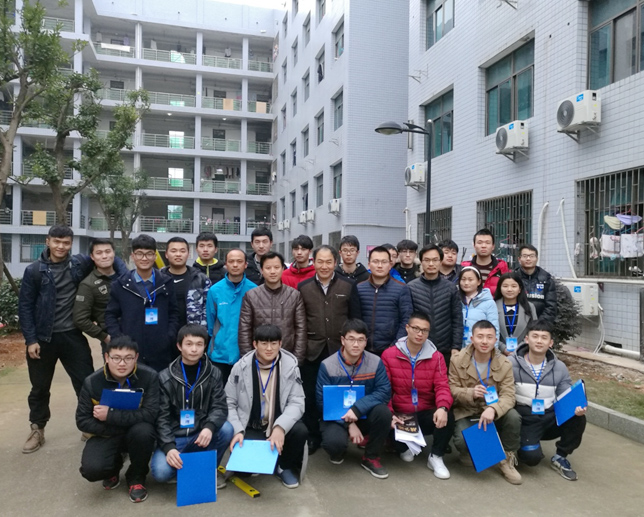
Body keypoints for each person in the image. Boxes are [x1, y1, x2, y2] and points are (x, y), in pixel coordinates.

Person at [18, 225, 126, 453]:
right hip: (43, 338)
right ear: (48, 241)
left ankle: (89, 425)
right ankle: (37, 428)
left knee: (86, 382)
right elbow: (25, 307)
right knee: (40, 387)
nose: (61, 246)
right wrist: (30, 339)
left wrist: (124, 274)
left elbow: (109, 258)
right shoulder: (34, 270)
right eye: (56, 241)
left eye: (66, 242)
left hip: (72, 335)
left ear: (71, 244)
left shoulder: (78, 263)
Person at [76, 336, 159, 503]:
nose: (122, 363)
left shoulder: (149, 377)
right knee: (92, 470)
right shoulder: (92, 382)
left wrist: (110, 415)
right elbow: (82, 420)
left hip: (136, 432)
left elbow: (151, 414)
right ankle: (113, 467)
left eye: (128, 358)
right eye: (116, 358)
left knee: (144, 432)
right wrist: (118, 430)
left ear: (136, 357)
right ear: (107, 357)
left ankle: (136, 477)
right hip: (107, 433)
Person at [151, 324, 234, 486]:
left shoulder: (214, 373)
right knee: (161, 472)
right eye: (189, 344)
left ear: (205, 346)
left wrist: (209, 427)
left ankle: (209, 469)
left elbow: (219, 406)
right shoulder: (165, 377)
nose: (194, 349)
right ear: (179, 346)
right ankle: (188, 467)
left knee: (226, 429)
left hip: (200, 434)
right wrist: (169, 447)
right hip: (175, 437)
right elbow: (161, 416)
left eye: (199, 344)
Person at [226, 324, 307, 489]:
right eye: (264, 343)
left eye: (274, 343)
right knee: (244, 472)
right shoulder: (240, 367)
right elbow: (229, 401)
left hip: (278, 423)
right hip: (252, 425)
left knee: (300, 430)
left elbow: (297, 402)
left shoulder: (290, 367)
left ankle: (283, 466)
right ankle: (266, 457)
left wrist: (280, 427)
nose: (269, 348)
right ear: (255, 344)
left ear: (280, 344)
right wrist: (237, 430)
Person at [298, 245, 361, 452]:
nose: (324, 266)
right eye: (320, 261)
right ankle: (313, 436)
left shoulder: (348, 285)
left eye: (328, 262)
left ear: (335, 262)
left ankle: (339, 431)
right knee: (310, 395)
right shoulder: (303, 287)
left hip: (340, 351)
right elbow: (300, 321)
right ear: (313, 262)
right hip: (312, 350)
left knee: (339, 393)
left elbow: (355, 318)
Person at [509, 320, 587, 481]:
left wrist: (577, 406)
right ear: (526, 339)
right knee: (531, 459)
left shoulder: (559, 367)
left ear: (551, 343)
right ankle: (523, 444)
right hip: (525, 418)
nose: (539, 341)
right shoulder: (511, 363)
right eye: (535, 336)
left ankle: (560, 456)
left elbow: (565, 393)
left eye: (544, 337)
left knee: (578, 418)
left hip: (549, 416)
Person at [381, 312, 454, 479]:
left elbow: (442, 386)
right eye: (416, 328)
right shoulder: (389, 354)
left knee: (447, 413)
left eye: (425, 330)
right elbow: (385, 389)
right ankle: (404, 446)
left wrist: (442, 407)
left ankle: (436, 456)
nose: (420, 334)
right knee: (383, 418)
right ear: (407, 328)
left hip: (425, 411)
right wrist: (390, 414)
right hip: (401, 414)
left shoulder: (436, 357)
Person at [449, 320, 522, 485]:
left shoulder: (504, 363)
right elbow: (451, 388)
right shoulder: (457, 359)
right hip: (467, 410)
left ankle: (506, 459)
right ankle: (473, 452)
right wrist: (470, 393)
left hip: (491, 410)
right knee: (462, 441)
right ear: (472, 338)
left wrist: (493, 409)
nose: (484, 341)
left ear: (496, 340)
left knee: (513, 417)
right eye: (480, 336)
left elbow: (509, 395)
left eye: (489, 337)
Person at [316, 319, 392, 479]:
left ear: (366, 342)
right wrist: (349, 424)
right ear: (343, 340)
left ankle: (371, 457)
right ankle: (339, 449)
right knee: (334, 445)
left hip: (363, 414)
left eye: (360, 340)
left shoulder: (375, 362)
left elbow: (384, 391)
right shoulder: (327, 365)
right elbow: (323, 402)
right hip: (335, 416)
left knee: (383, 413)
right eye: (351, 339)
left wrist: (357, 409)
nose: (356, 344)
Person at [105, 234, 180, 372]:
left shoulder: (166, 282)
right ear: (133, 256)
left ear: (155, 256)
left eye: (149, 254)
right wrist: (119, 338)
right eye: (139, 254)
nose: (144, 258)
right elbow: (110, 315)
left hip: (160, 350)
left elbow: (173, 312)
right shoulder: (120, 284)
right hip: (130, 350)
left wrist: (169, 336)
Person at [239, 252, 307, 363]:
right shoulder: (251, 296)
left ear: (283, 269)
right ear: (262, 270)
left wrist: (296, 360)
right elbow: (244, 330)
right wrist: (249, 359)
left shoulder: (294, 295)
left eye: (276, 267)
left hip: (287, 356)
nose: (272, 271)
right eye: (268, 268)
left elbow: (301, 329)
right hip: (258, 358)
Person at [206, 248, 257, 384]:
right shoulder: (215, 290)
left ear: (245, 265)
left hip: (246, 353)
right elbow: (210, 324)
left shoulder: (254, 290)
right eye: (231, 261)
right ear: (226, 264)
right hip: (220, 353)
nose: (235, 265)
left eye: (239, 261)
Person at [408, 245, 463, 367]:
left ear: (440, 261)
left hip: (446, 349)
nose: (431, 264)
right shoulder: (411, 287)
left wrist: (456, 346)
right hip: (418, 348)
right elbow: (407, 318)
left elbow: (457, 319)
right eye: (427, 260)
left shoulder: (450, 288)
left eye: (435, 260)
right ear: (421, 262)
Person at [357, 246, 413, 355]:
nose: (379, 265)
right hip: (363, 349)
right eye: (375, 261)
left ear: (390, 265)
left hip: (392, 349)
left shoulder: (401, 288)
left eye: (384, 262)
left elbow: (406, 319)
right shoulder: (359, 288)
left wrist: (395, 345)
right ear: (369, 265)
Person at [73, 238, 118, 353]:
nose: (104, 256)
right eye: (99, 253)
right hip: (113, 337)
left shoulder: (126, 277)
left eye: (108, 251)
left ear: (114, 253)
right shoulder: (88, 284)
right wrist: (105, 337)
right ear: (92, 257)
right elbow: (80, 319)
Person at [163, 236, 211, 328]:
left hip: (193, 332)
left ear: (188, 254)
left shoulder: (201, 279)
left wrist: (201, 331)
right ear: (166, 254)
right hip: (164, 331)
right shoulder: (158, 278)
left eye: (182, 251)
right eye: (173, 251)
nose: (178, 254)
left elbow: (207, 309)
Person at [494, 272, 538, 354]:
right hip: (498, 353)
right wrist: (503, 348)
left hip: (523, 352)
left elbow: (534, 331)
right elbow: (489, 331)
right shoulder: (493, 306)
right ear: (500, 288)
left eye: (514, 286)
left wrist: (519, 348)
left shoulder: (529, 307)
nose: (509, 289)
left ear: (520, 289)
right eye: (505, 286)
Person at [458, 266, 499, 348]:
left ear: (479, 282)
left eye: (470, 280)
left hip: (480, 348)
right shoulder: (455, 300)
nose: (466, 283)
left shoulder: (489, 303)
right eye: (463, 279)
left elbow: (495, 329)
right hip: (459, 348)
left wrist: (494, 350)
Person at [516, 244, 558, 324]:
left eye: (531, 256)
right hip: (517, 325)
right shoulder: (513, 279)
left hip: (540, 325)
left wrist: (540, 325)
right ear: (519, 259)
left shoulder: (546, 280)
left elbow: (551, 307)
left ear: (537, 259)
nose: (528, 259)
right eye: (525, 256)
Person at [461, 229, 509, 296]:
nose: (483, 246)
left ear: (493, 246)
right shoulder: (465, 268)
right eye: (479, 243)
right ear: (474, 246)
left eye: (487, 243)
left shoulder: (502, 268)